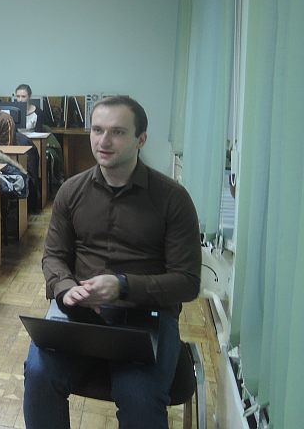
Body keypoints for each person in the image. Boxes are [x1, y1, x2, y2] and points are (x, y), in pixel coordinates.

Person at [23, 96, 201, 429]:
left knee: (139, 396)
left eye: (117, 132)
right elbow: (55, 256)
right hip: (81, 312)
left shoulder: (173, 199)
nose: (103, 141)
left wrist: (122, 287)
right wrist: (66, 288)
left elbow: (187, 281)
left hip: (145, 314)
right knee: (38, 374)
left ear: (141, 139)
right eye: (98, 130)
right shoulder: (71, 191)